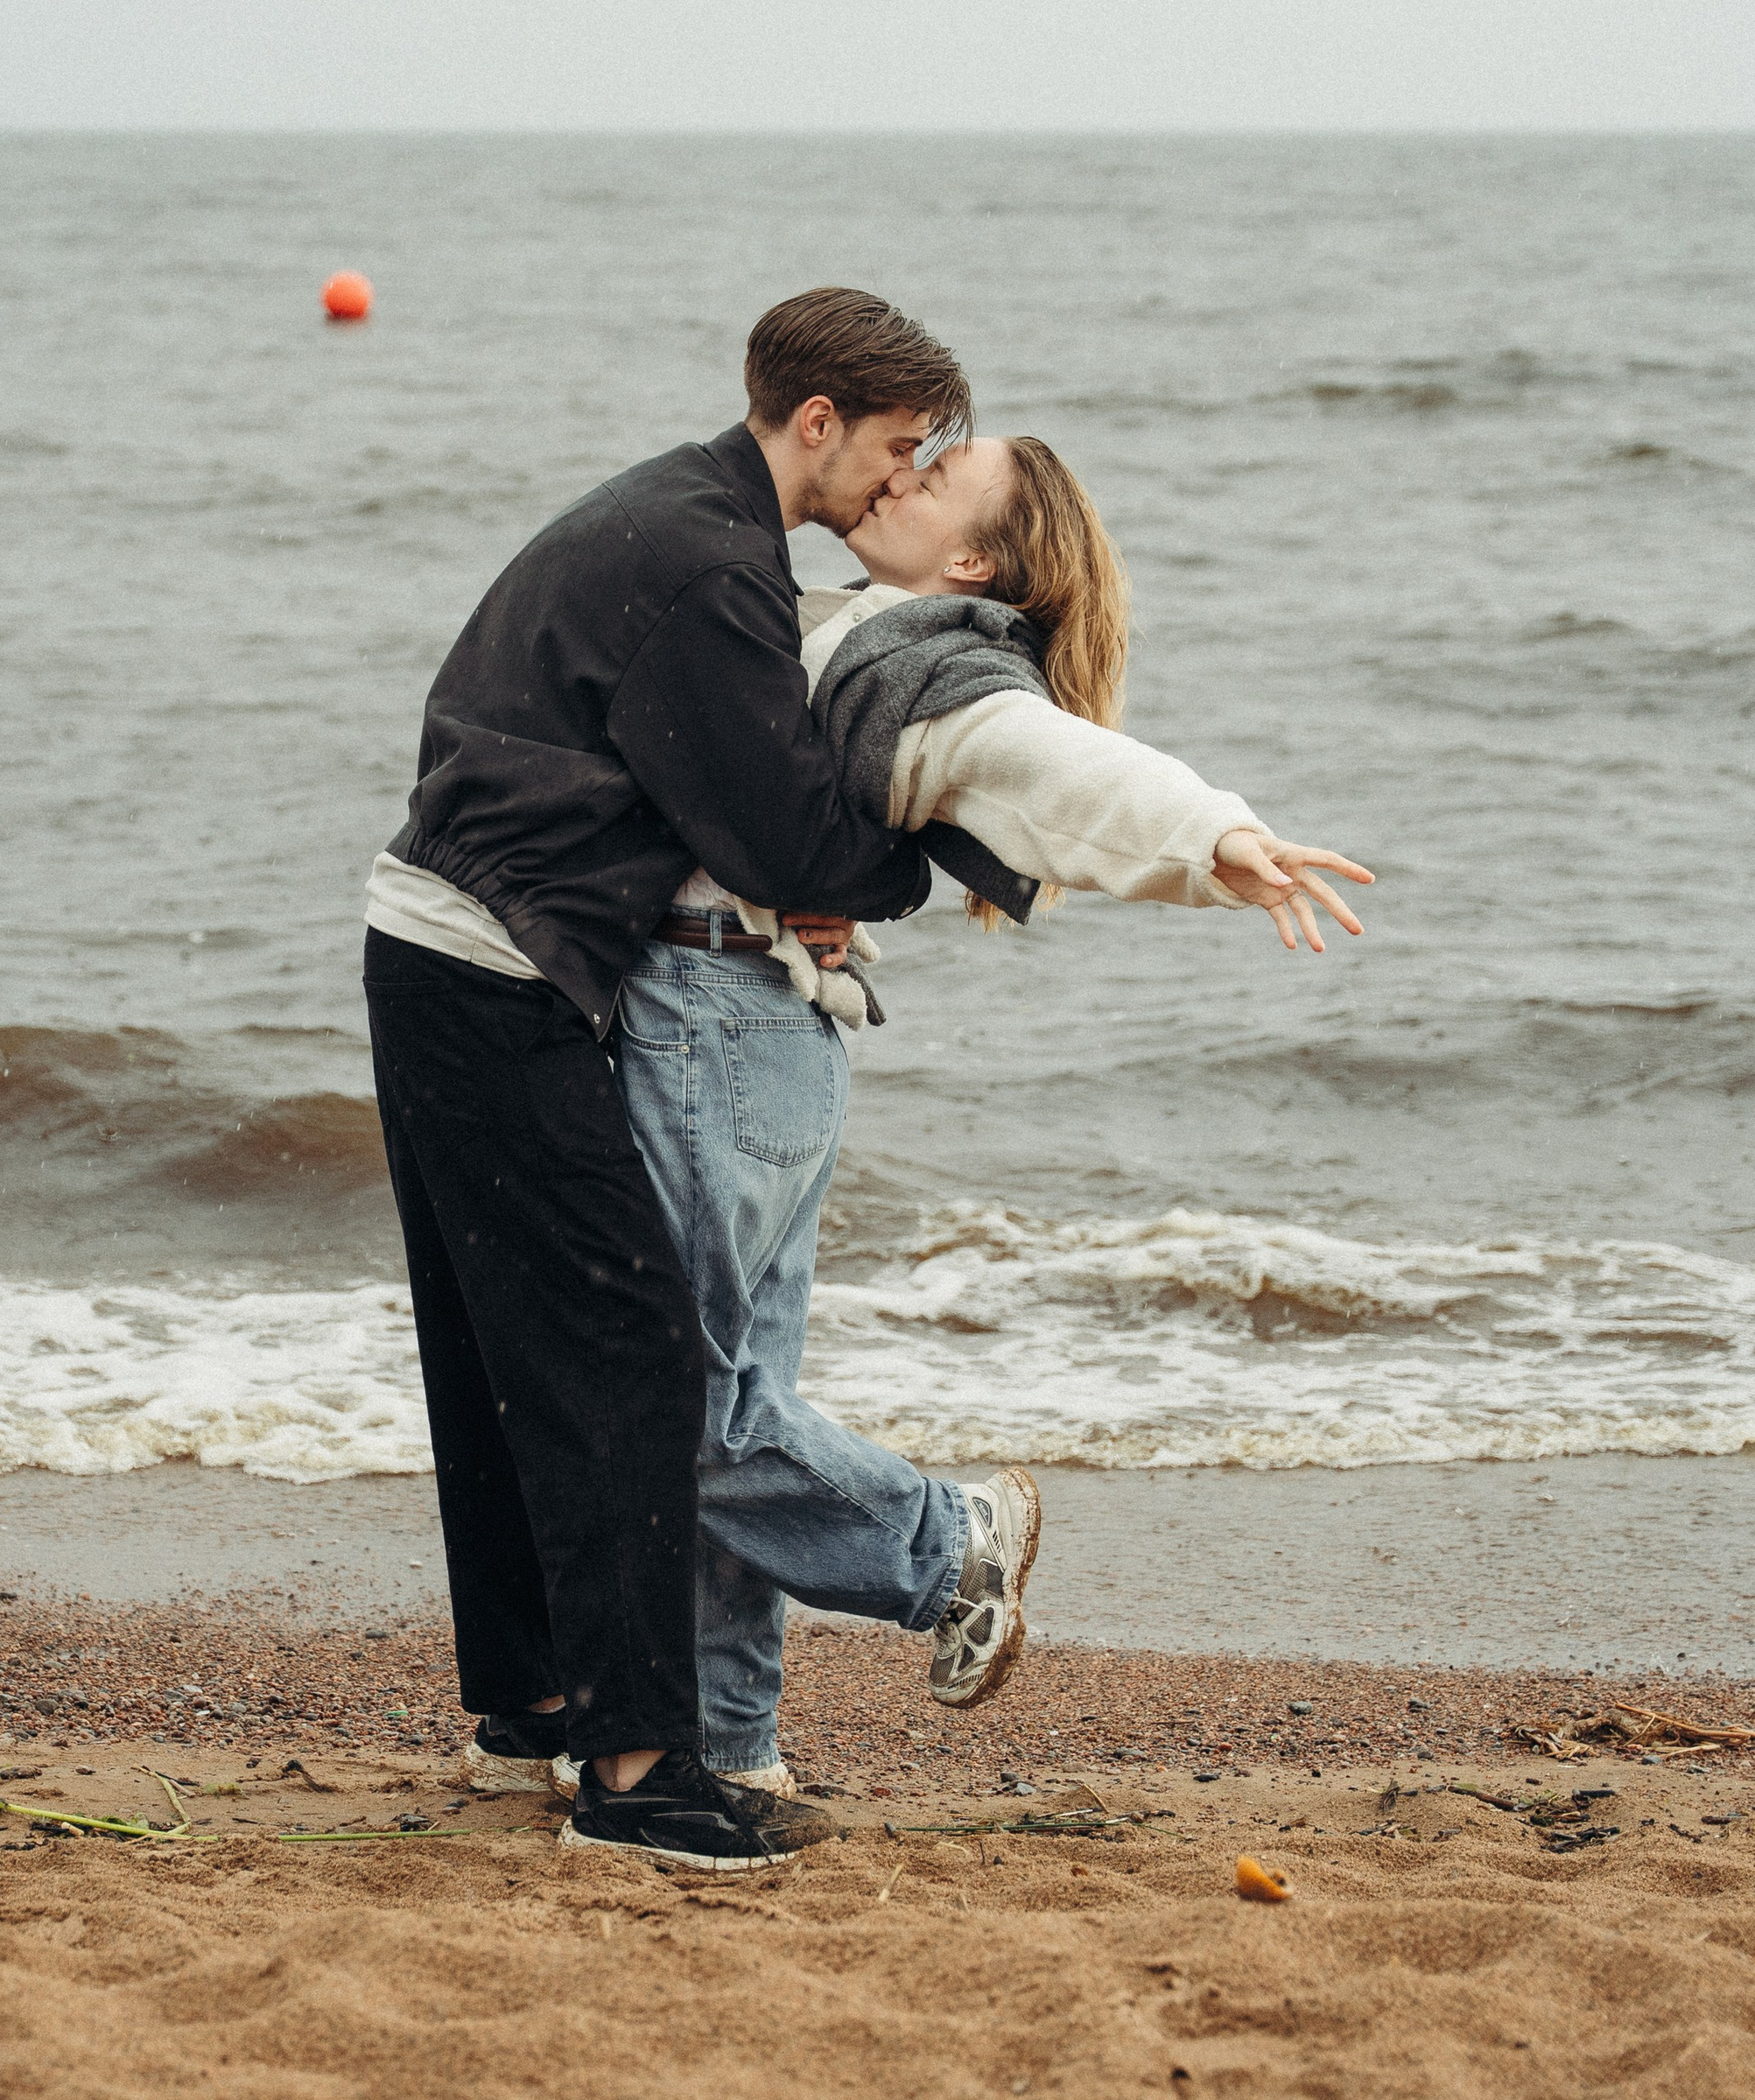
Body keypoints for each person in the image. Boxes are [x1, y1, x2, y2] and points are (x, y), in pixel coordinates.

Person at [611, 429, 1372, 1787]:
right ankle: (730, 1748)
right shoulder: (853, 622)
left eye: (941, 469)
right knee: (739, 1402)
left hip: (726, 1029)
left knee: (674, 1402)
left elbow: (1060, 764)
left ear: (974, 557)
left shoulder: (940, 665)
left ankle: (946, 1543)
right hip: (770, 1032)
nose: (904, 471)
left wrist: (1213, 835)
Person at [362, 288, 976, 1869]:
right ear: (816, 422)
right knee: (627, 1353)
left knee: (512, 1346)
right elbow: (775, 826)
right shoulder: (717, 562)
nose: (898, 486)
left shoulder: (675, 507)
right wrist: (910, 867)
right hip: (491, 965)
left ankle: (540, 1709)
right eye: (897, 451)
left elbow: (714, 796)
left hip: (442, 939)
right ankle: (638, 1777)